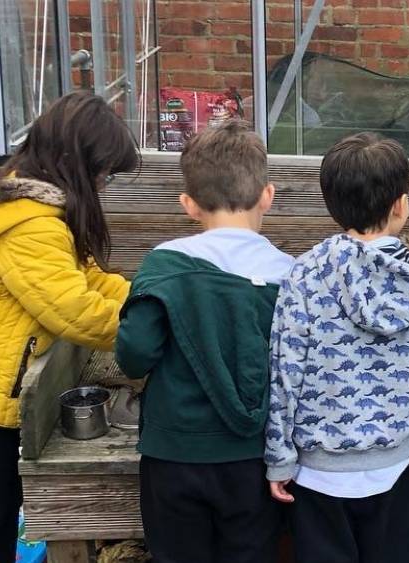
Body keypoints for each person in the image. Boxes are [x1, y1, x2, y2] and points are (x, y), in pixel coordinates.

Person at [0, 91, 136, 563]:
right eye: (101, 170)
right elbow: (72, 309)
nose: (104, 181)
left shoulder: (41, 210)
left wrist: (149, 296)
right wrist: (147, 328)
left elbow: (89, 277)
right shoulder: (30, 226)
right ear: (70, 160)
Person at [264, 132, 409, 563]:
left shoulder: (303, 273)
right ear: (401, 203)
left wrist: (279, 457)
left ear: (332, 204)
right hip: (394, 464)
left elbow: (284, 370)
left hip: (318, 474)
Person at [113, 120, 291, 562]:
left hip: (174, 452)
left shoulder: (164, 265)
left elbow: (134, 356)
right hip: (254, 456)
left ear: (189, 204)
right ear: (267, 195)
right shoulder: (290, 274)